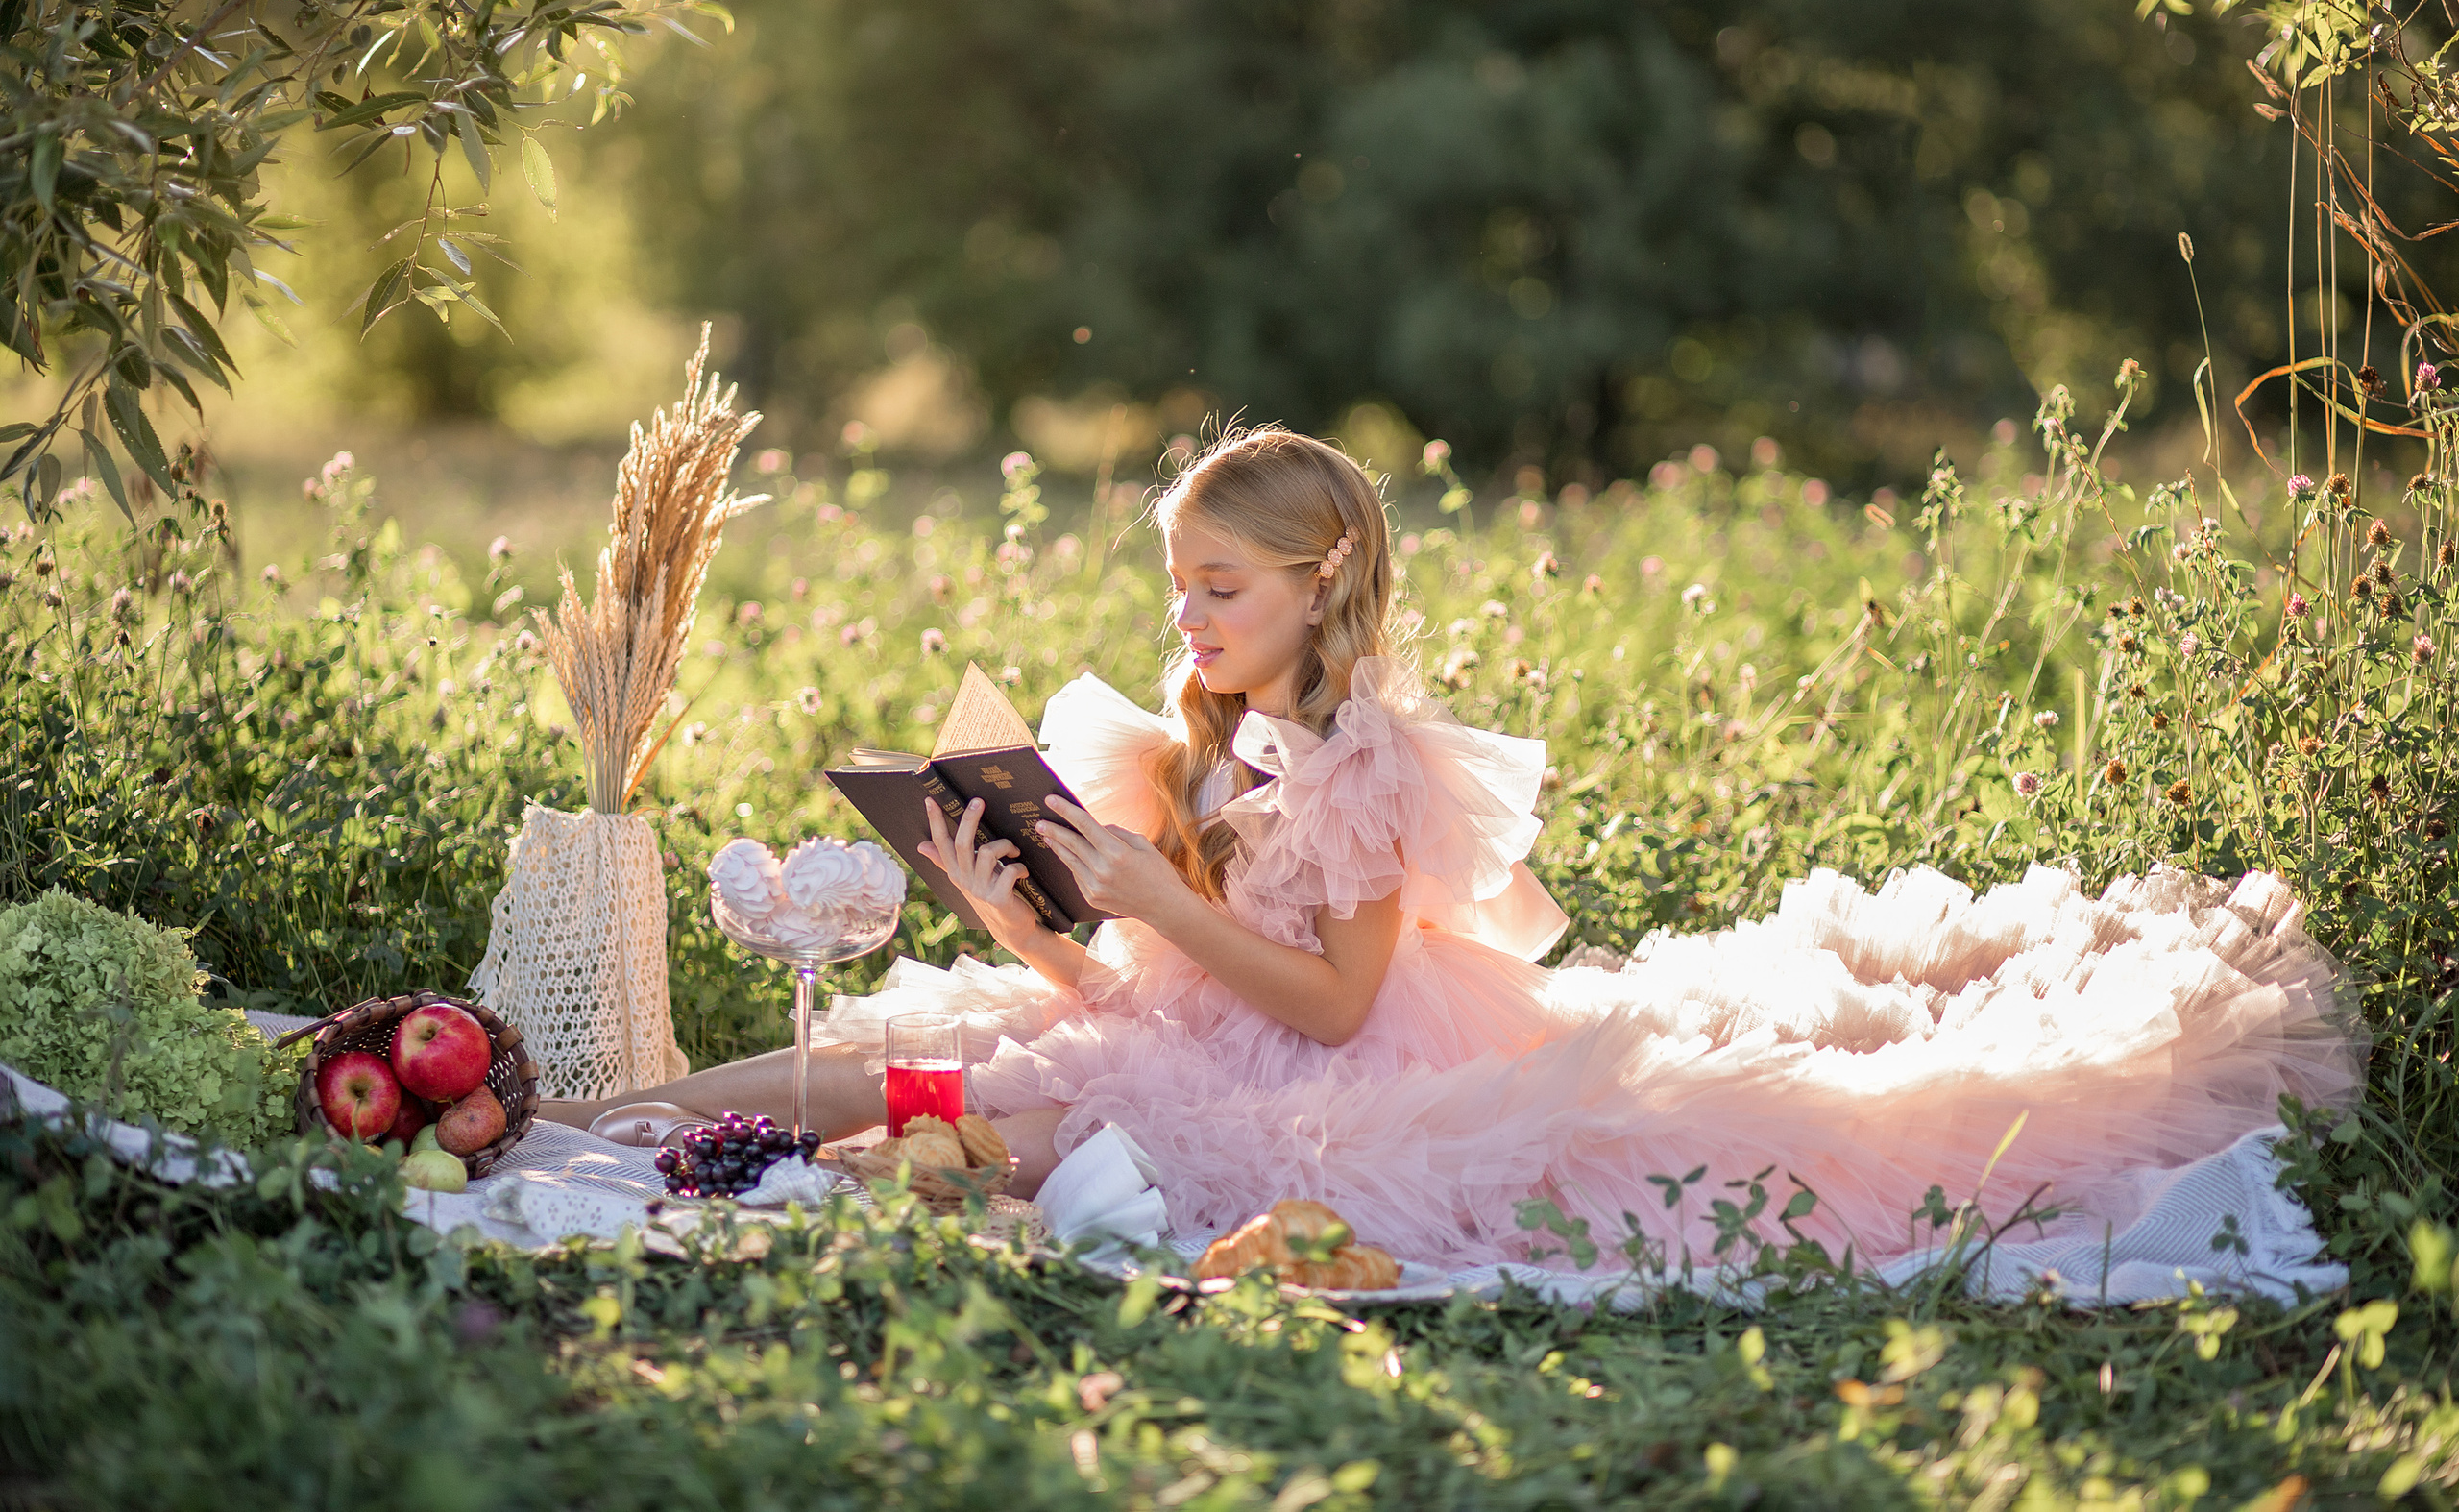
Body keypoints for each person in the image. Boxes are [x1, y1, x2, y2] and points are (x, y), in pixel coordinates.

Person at [557, 427, 2363, 1273]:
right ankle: (555, 1121)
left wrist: (1159, 898)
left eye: (1223, 587)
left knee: (970, 1125)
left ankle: (636, 1158)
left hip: (1327, 1078)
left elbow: (1336, 1015)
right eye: (1177, 583)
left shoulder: (1364, 765)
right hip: (1173, 1033)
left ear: (1318, 580)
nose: (1187, 616)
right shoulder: (1180, 737)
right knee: (888, 1051)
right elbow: (1130, 979)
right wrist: (1021, 914)